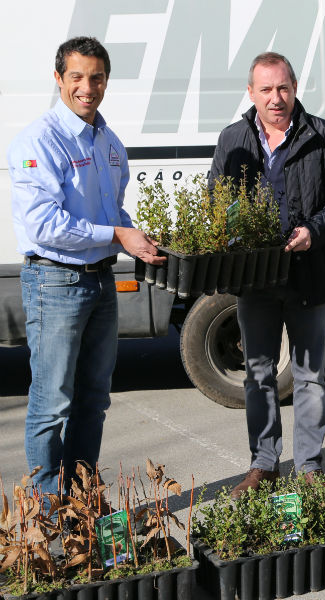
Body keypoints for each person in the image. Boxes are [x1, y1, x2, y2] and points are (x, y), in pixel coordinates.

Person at [7, 36, 165, 495]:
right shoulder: (38, 141)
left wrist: (140, 238)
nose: (87, 87)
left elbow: (113, 214)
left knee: (94, 399)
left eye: (96, 77)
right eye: (76, 77)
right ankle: (47, 511)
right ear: (59, 79)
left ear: (106, 80)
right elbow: (44, 226)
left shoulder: (109, 142)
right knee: (52, 401)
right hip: (55, 281)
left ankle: (79, 500)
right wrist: (118, 235)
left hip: (100, 280)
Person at [208, 52, 325, 498]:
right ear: (251, 93)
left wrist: (314, 230)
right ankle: (264, 464)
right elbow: (218, 200)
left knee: (310, 375)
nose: (276, 98)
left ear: (295, 88)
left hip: (311, 275)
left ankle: (309, 465)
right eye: (266, 90)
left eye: (283, 88)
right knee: (258, 375)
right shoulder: (233, 139)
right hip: (256, 280)